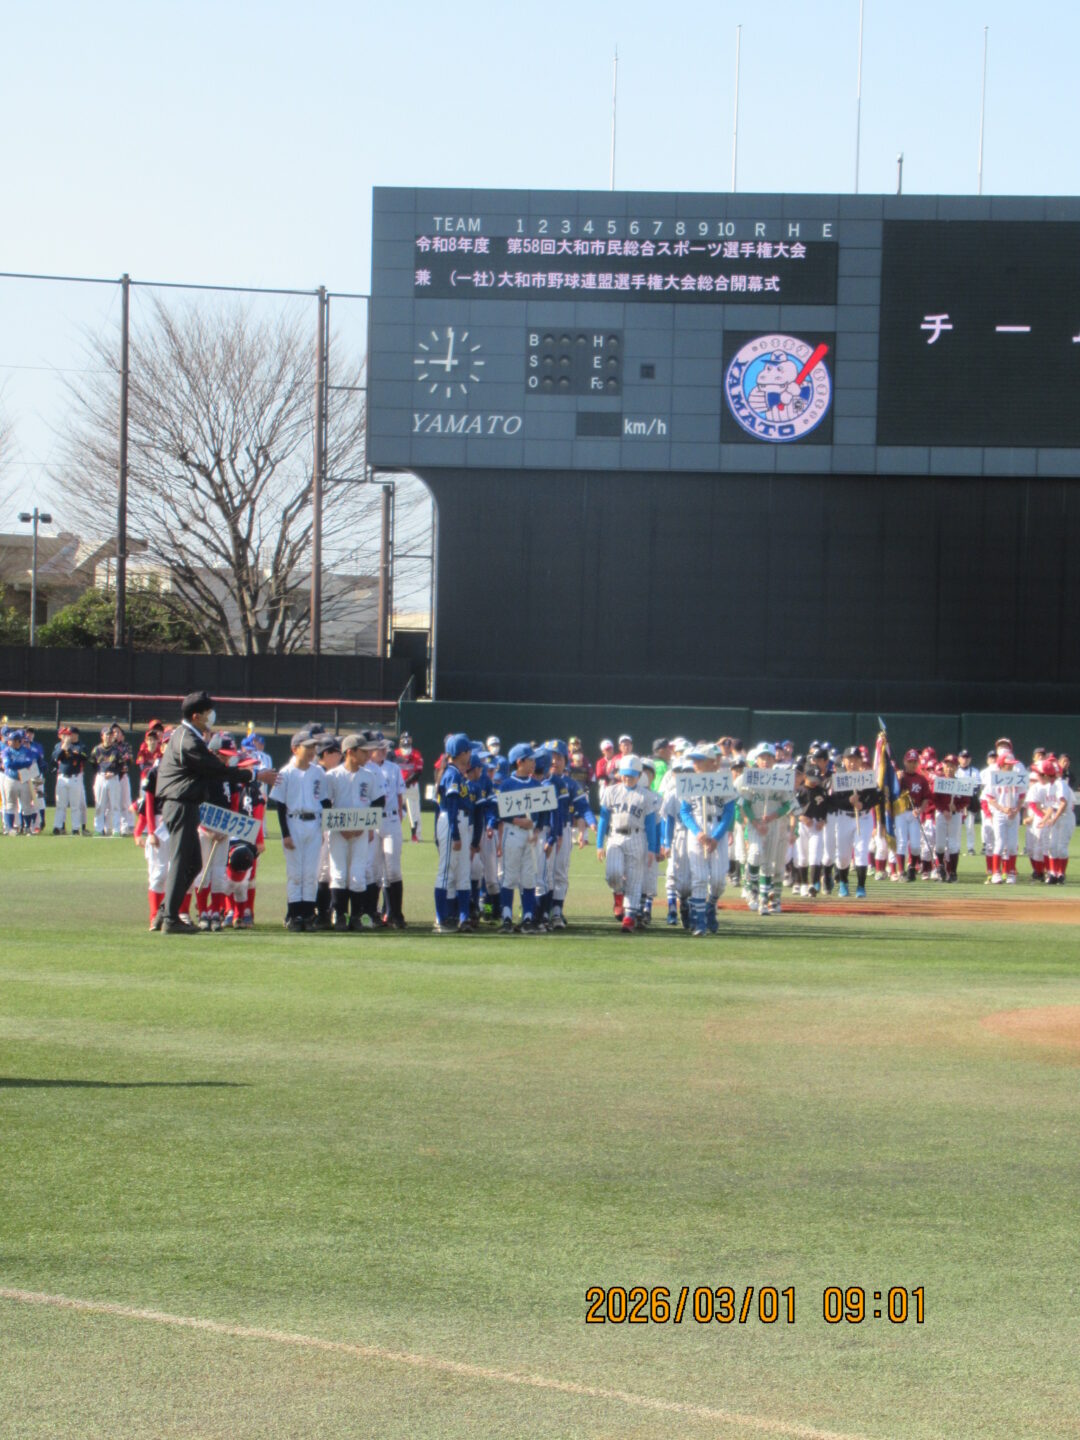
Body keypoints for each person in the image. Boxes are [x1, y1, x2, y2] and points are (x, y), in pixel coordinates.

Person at [155, 692, 272, 934]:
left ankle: (165, 912)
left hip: (184, 803)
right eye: (207, 712)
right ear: (196, 716)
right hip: (180, 803)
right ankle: (170, 919)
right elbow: (216, 770)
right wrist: (254, 775)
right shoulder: (188, 739)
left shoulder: (186, 736)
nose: (211, 716)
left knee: (193, 863)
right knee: (182, 861)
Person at [268, 732, 328, 930]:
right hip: (294, 822)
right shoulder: (286, 772)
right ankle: (294, 915)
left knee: (311, 872)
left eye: (313, 747)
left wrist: (324, 829)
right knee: (295, 873)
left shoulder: (318, 772)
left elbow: (325, 802)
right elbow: (280, 805)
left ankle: (308, 914)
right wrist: (285, 834)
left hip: (314, 822)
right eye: (307, 747)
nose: (312, 751)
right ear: (295, 749)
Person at [51, 726, 89, 835]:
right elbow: (55, 758)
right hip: (62, 777)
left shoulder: (79, 746)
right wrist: (64, 747)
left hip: (75, 777)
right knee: (60, 804)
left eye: (68, 734)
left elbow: (83, 757)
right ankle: (57, 827)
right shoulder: (59, 745)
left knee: (75, 805)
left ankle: (75, 828)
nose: (67, 736)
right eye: (65, 735)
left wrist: (73, 751)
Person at [394, 731, 424, 842]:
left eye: (408, 738)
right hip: (397, 787)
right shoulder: (395, 754)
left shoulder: (416, 754)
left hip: (411, 786)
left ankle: (415, 835)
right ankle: (395, 834)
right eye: (404, 738)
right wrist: (400, 783)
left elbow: (418, 772)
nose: (406, 740)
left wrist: (406, 782)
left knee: (414, 811)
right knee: (395, 810)